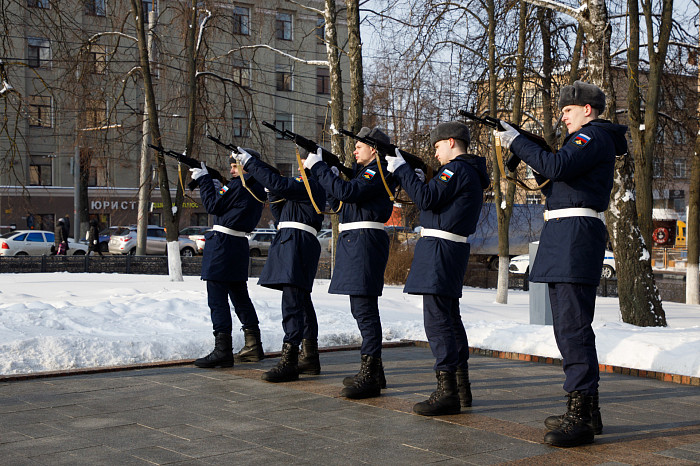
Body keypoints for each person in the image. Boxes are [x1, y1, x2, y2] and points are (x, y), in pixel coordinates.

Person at [495, 80, 627, 447]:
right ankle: (587, 409)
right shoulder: (581, 141)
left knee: (573, 328)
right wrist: (528, 147)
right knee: (568, 327)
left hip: (574, 235)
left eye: (568, 110)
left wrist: (519, 142)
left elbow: (559, 165)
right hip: (563, 235)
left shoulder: (593, 136)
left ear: (588, 109)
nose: (563, 117)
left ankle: (581, 415)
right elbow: (553, 179)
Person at [386, 122, 489, 416]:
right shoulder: (467, 172)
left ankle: (447, 392)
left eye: (437, 146)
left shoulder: (457, 169)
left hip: (440, 250)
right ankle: (459, 386)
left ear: (452, 142)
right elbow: (433, 200)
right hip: (448, 248)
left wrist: (403, 170)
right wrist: (417, 178)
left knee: (437, 320)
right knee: (449, 318)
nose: (436, 153)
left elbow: (427, 199)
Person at [303, 127, 395, 399]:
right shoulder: (362, 173)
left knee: (365, 310)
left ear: (374, 149)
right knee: (360, 308)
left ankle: (370, 374)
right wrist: (327, 176)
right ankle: (374, 371)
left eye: (359, 146)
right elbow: (339, 202)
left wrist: (320, 167)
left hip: (365, 242)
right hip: (356, 241)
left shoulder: (376, 171)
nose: (354, 150)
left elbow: (348, 192)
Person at [233, 147, 326, 382]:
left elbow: (283, 185)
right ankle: (309, 357)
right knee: (300, 301)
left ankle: (290, 358)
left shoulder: (312, 183)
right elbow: (280, 213)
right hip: (291, 242)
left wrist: (253, 165)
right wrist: (271, 192)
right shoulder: (302, 187)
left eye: (304, 160)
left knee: (293, 302)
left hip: (298, 244)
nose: (301, 164)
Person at [189, 152, 267, 368]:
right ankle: (254, 344)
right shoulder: (256, 186)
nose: (231, 171)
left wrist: (205, 180)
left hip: (222, 245)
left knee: (217, 299)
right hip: (238, 245)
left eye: (235, 166)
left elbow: (214, 206)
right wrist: (213, 182)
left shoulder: (239, 185)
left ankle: (222, 349)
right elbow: (226, 205)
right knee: (240, 296)